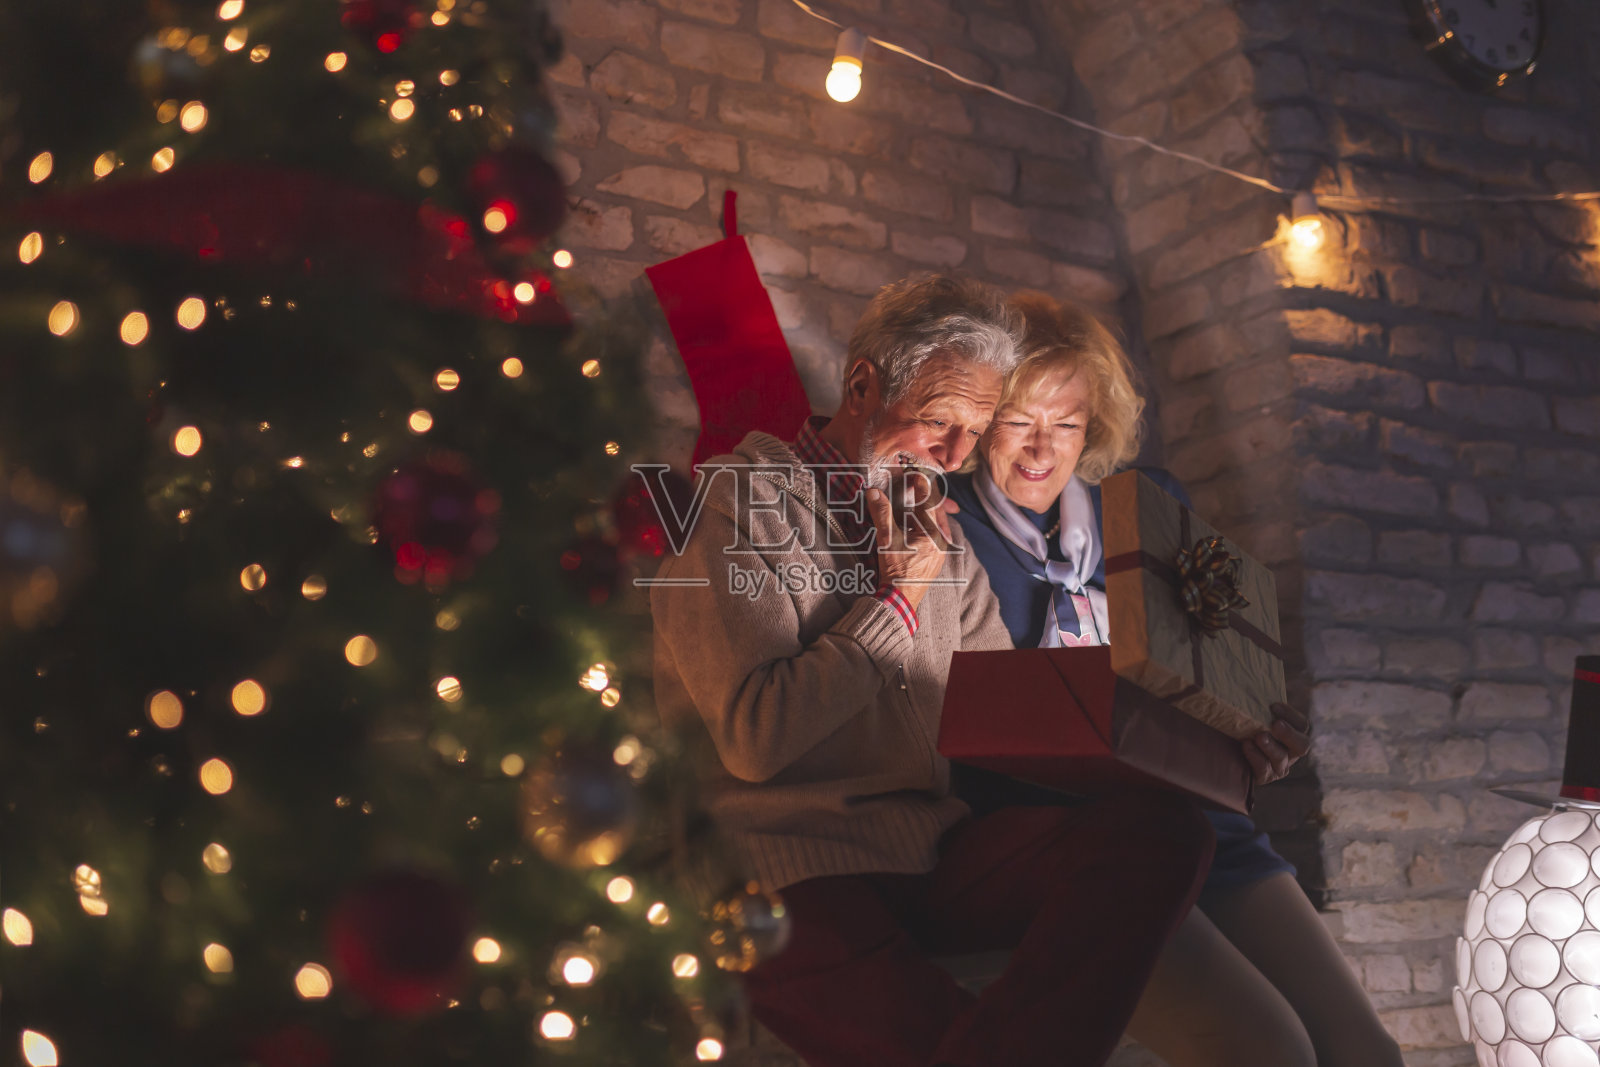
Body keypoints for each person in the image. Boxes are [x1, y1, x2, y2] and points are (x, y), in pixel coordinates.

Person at [650, 274, 1215, 1067]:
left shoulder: (936, 531)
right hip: (775, 868)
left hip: (926, 853)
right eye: (939, 421)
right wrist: (899, 600)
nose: (954, 457)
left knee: (1162, 831)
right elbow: (757, 738)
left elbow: (1006, 712)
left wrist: (1213, 736)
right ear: (861, 385)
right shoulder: (738, 504)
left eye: (975, 431)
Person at [945, 290, 1404, 1067]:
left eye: (1067, 422)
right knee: (1272, 1054)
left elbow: (1214, 679)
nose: (1040, 449)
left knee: (1368, 1053)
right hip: (1084, 841)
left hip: (1206, 822)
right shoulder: (947, 525)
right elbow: (957, 726)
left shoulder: (1152, 502)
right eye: (1019, 420)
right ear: (983, 418)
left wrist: (1251, 735)